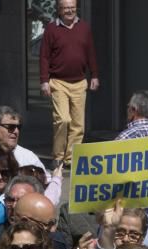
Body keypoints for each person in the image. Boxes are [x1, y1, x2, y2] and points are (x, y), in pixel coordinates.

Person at [39, 0, 99, 169]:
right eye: (66, 8)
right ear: (59, 10)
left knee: (78, 125)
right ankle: (57, 156)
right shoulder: (51, 29)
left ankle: (70, 159)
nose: (70, 11)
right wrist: (44, 81)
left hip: (80, 82)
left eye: (72, 8)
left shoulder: (84, 28)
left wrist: (94, 75)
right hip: (58, 82)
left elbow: (91, 53)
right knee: (63, 119)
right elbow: (44, 56)